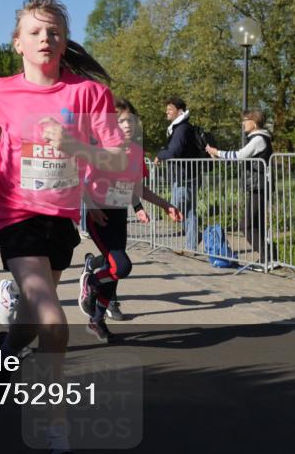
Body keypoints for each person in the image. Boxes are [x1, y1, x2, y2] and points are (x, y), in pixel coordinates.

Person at [0, 0, 126, 454]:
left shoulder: (88, 95)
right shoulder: (1, 90)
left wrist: (78, 147)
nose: (45, 38)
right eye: (35, 31)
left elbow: (117, 159)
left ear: (65, 41)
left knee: (31, 323)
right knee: (54, 323)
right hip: (14, 212)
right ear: (18, 42)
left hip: (61, 217)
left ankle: (4, 349)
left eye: (54, 31)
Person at [79, 98, 182, 339]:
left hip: (119, 215)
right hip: (99, 214)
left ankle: (97, 320)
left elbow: (138, 188)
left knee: (113, 272)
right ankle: (91, 281)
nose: (127, 125)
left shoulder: (136, 152)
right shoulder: (99, 148)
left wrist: (164, 205)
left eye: (130, 121)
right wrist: (92, 207)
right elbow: (80, 180)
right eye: (121, 121)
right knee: (121, 267)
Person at [206, 108, 274, 262]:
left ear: (254, 123)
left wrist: (217, 152)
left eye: (245, 120)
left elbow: (240, 155)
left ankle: (268, 257)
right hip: (259, 186)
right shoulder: (259, 138)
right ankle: (267, 257)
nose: (242, 123)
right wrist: (219, 156)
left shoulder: (258, 139)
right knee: (255, 223)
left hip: (260, 186)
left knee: (247, 225)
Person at [155, 96, 202, 252]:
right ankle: (192, 244)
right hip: (185, 174)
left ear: (180, 111)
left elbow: (175, 151)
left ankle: (195, 239)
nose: (166, 112)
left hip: (185, 176)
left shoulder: (181, 129)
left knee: (176, 207)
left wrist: (160, 155)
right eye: (166, 109)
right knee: (188, 211)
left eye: (170, 109)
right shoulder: (178, 128)